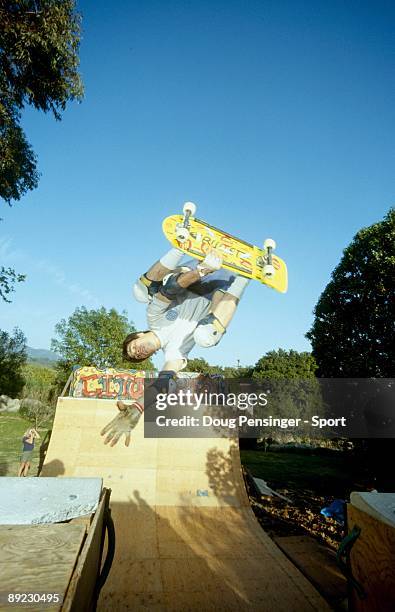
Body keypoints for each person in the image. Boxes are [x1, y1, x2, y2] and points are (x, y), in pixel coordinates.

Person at [101, 246, 249, 446]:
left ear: (138, 335)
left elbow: (168, 292)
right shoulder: (173, 353)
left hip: (196, 275)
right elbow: (162, 383)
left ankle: (179, 244)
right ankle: (244, 278)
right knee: (206, 337)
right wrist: (137, 408)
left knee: (142, 292)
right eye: (138, 356)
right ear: (149, 356)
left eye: (134, 348)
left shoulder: (153, 318)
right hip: (221, 289)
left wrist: (202, 270)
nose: (138, 353)